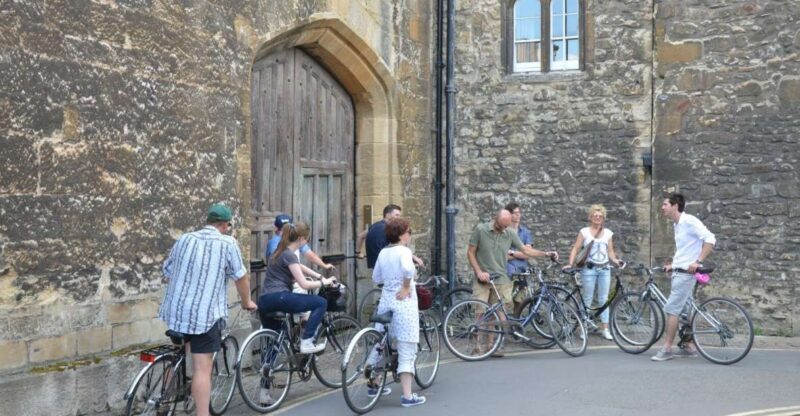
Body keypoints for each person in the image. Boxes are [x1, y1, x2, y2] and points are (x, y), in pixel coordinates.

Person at [158, 203, 258, 416]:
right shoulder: (227, 243)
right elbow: (240, 277)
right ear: (224, 225)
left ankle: (162, 402)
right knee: (202, 369)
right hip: (205, 316)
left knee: (177, 352)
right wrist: (247, 301)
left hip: (176, 312)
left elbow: (167, 270)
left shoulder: (185, 239)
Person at [467, 208, 559, 357]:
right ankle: (477, 347)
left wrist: (546, 254)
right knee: (480, 312)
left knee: (496, 313)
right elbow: (470, 252)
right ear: (495, 219)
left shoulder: (509, 233)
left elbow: (525, 250)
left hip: (501, 278)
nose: (503, 229)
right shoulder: (481, 229)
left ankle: (492, 346)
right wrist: (478, 272)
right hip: (482, 278)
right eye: (501, 225)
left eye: (506, 226)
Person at [652, 192, 716, 362]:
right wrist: (673, 265)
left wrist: (698, 261)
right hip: (680, 271)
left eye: (665, 204)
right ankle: (688, 345)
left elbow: (710, 239)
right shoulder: (677, 224)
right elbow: (685, 250)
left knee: (672, 309)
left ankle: (666, 349)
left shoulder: (689, 221)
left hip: (686, 275)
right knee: (686, 310)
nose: (662, 207)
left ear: (675, 205)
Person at [370, 217, 426, 407]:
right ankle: (408, 396)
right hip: (404, 303)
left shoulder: (384, 252)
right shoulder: (404, 251)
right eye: (409, 232)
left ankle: (374, 382)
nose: (410, 235)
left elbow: (376, 276)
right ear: (402, 234)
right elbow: (408, 270)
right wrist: (404, 287)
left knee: (380, 340)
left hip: (386, 300)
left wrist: (391, 283)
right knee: (406, 346)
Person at [258, 221, 338, 354]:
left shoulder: (280, 251)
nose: (306, 242)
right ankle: (307, 341)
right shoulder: (289, 254)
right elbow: (304, 284)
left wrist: (319, 277)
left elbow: (299, 267)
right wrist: (325, 283)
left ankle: (267, 368)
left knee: (275, 338)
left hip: (265, 300)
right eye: (307, 240)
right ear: (301, 239)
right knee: (320, 303)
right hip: (280, 297)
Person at [564, 204, 623, 341]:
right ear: (590, 217)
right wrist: (570, 263)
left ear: (603, 218)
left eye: (600, 216)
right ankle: (584, 328)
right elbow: (576, 248)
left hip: (604, 269)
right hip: (589, 269)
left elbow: (610, 252)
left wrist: (616, 261)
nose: (597, 217)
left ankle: (605, 329)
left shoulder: (608, 233)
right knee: (587, 299)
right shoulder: (584, 232)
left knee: (604, 299)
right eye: (595, 215)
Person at [356, 204, 424, 269]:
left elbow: (360, 236)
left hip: (375, 266)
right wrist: (413, 257)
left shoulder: (374, 226)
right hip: (386, 266)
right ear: (388, 215)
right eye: (396, 215)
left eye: (399, 215)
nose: (399, 218)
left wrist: (358, 252)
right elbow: (398, 248)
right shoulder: (390, 229)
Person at [265, 213, 334, 271]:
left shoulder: (273, 243)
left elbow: (310, 255)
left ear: (276, 227)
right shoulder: (294, 240)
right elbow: (310, 255)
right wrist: (324, 266)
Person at [504, 202, 534, 316]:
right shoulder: (504, 232)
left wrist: (511, 252)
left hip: (521, 271)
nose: (518, 215)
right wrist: (520, 253)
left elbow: (527, 254)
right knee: (505, 301)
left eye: (519, 212)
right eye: (515, 213)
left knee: (519, 301)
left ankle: (515, 326)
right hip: (507, 271)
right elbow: (502, 255)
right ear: (509, 215)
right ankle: (502, 325)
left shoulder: (525, 232)